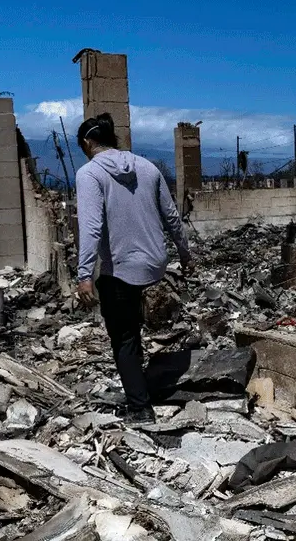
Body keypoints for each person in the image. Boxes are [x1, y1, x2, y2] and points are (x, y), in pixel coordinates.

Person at [74, 113, 193, 425]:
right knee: (139, 329)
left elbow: (90, 227)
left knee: (124, 338)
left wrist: (84, 273)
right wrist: (185, 253)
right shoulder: (148, 167)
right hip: (155, 266)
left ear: (87, 143)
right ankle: (147, 383)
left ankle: (140, 408)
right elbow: (171, 215)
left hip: (121, 269)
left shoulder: (89, 174)